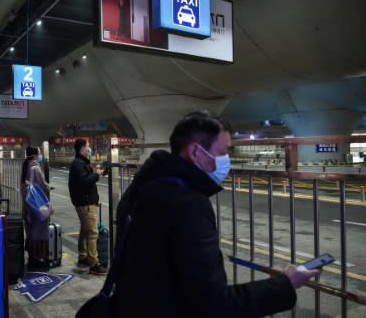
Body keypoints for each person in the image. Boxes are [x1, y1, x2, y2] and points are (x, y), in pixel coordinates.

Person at [113, 112, 321, 317]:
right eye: (223, 152)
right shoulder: (189, 206)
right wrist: (285, 283)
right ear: (195, 152)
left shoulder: (144, 189)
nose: (226, 160)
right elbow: (213, 305)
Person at [68, 139, 107, 275]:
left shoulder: (80, 163)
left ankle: (83, 256)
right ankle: (94, 263)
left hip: (83, 202)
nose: (89, 149)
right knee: (92, 232)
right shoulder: (78, 164)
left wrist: (97, 172)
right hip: (86, 203)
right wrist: (96, 174)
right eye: (88, 147)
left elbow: (85, 179)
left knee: (85, 230)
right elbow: (85, 181)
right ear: (82, 149)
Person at [20, 146, 51, 269]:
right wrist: (49, 187)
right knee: (39, 233)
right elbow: (43, 186)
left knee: (31, 232)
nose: (40, 156)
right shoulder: (36, 168)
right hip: (37, 206)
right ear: (35, 155)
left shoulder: (25, 166)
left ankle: (32, 258)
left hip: (28, 205)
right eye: (39, 154)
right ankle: (38, 259)